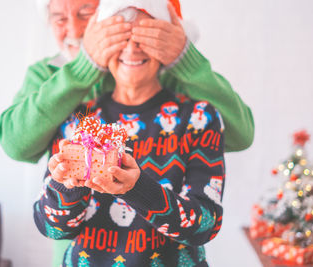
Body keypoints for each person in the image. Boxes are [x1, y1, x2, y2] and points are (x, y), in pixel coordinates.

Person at [33, 2, 225, 265]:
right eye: (121, 35)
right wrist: (65, 187)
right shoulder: (78, 121)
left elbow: (205, 224)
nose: (131, 48)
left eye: (144, 36)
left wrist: (137, 188)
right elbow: (52, 228)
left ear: (164, 43)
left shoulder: (198, 119)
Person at [0, 0, 254, 165]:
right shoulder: (46, 74)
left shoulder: (159, 73)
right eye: (60, 19)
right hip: (79, 246)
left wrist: (186, 61)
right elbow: (15, 145)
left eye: (86, 13)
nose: (74, 32)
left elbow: (239, 135)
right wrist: (83, 68)